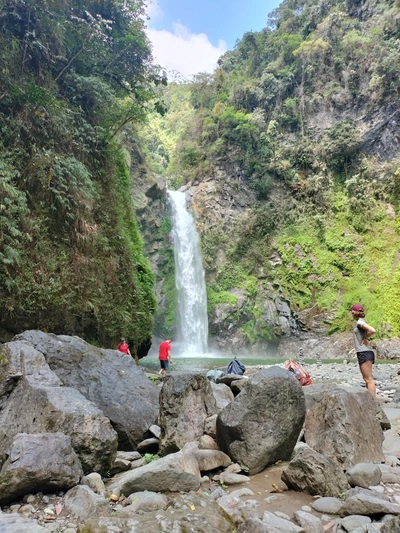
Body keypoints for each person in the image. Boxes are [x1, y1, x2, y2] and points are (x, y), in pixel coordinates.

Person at [350, 304, 376, 398]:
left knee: (368, 379)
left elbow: (372, 330)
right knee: (366, 379)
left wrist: (366, 338)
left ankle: (373, 401)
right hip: (363, 352)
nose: (351, 313)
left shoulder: (359, 323)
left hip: (364, 352)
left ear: (354, 312)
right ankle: (370, 400)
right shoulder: (360, 322)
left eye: (351, 311)